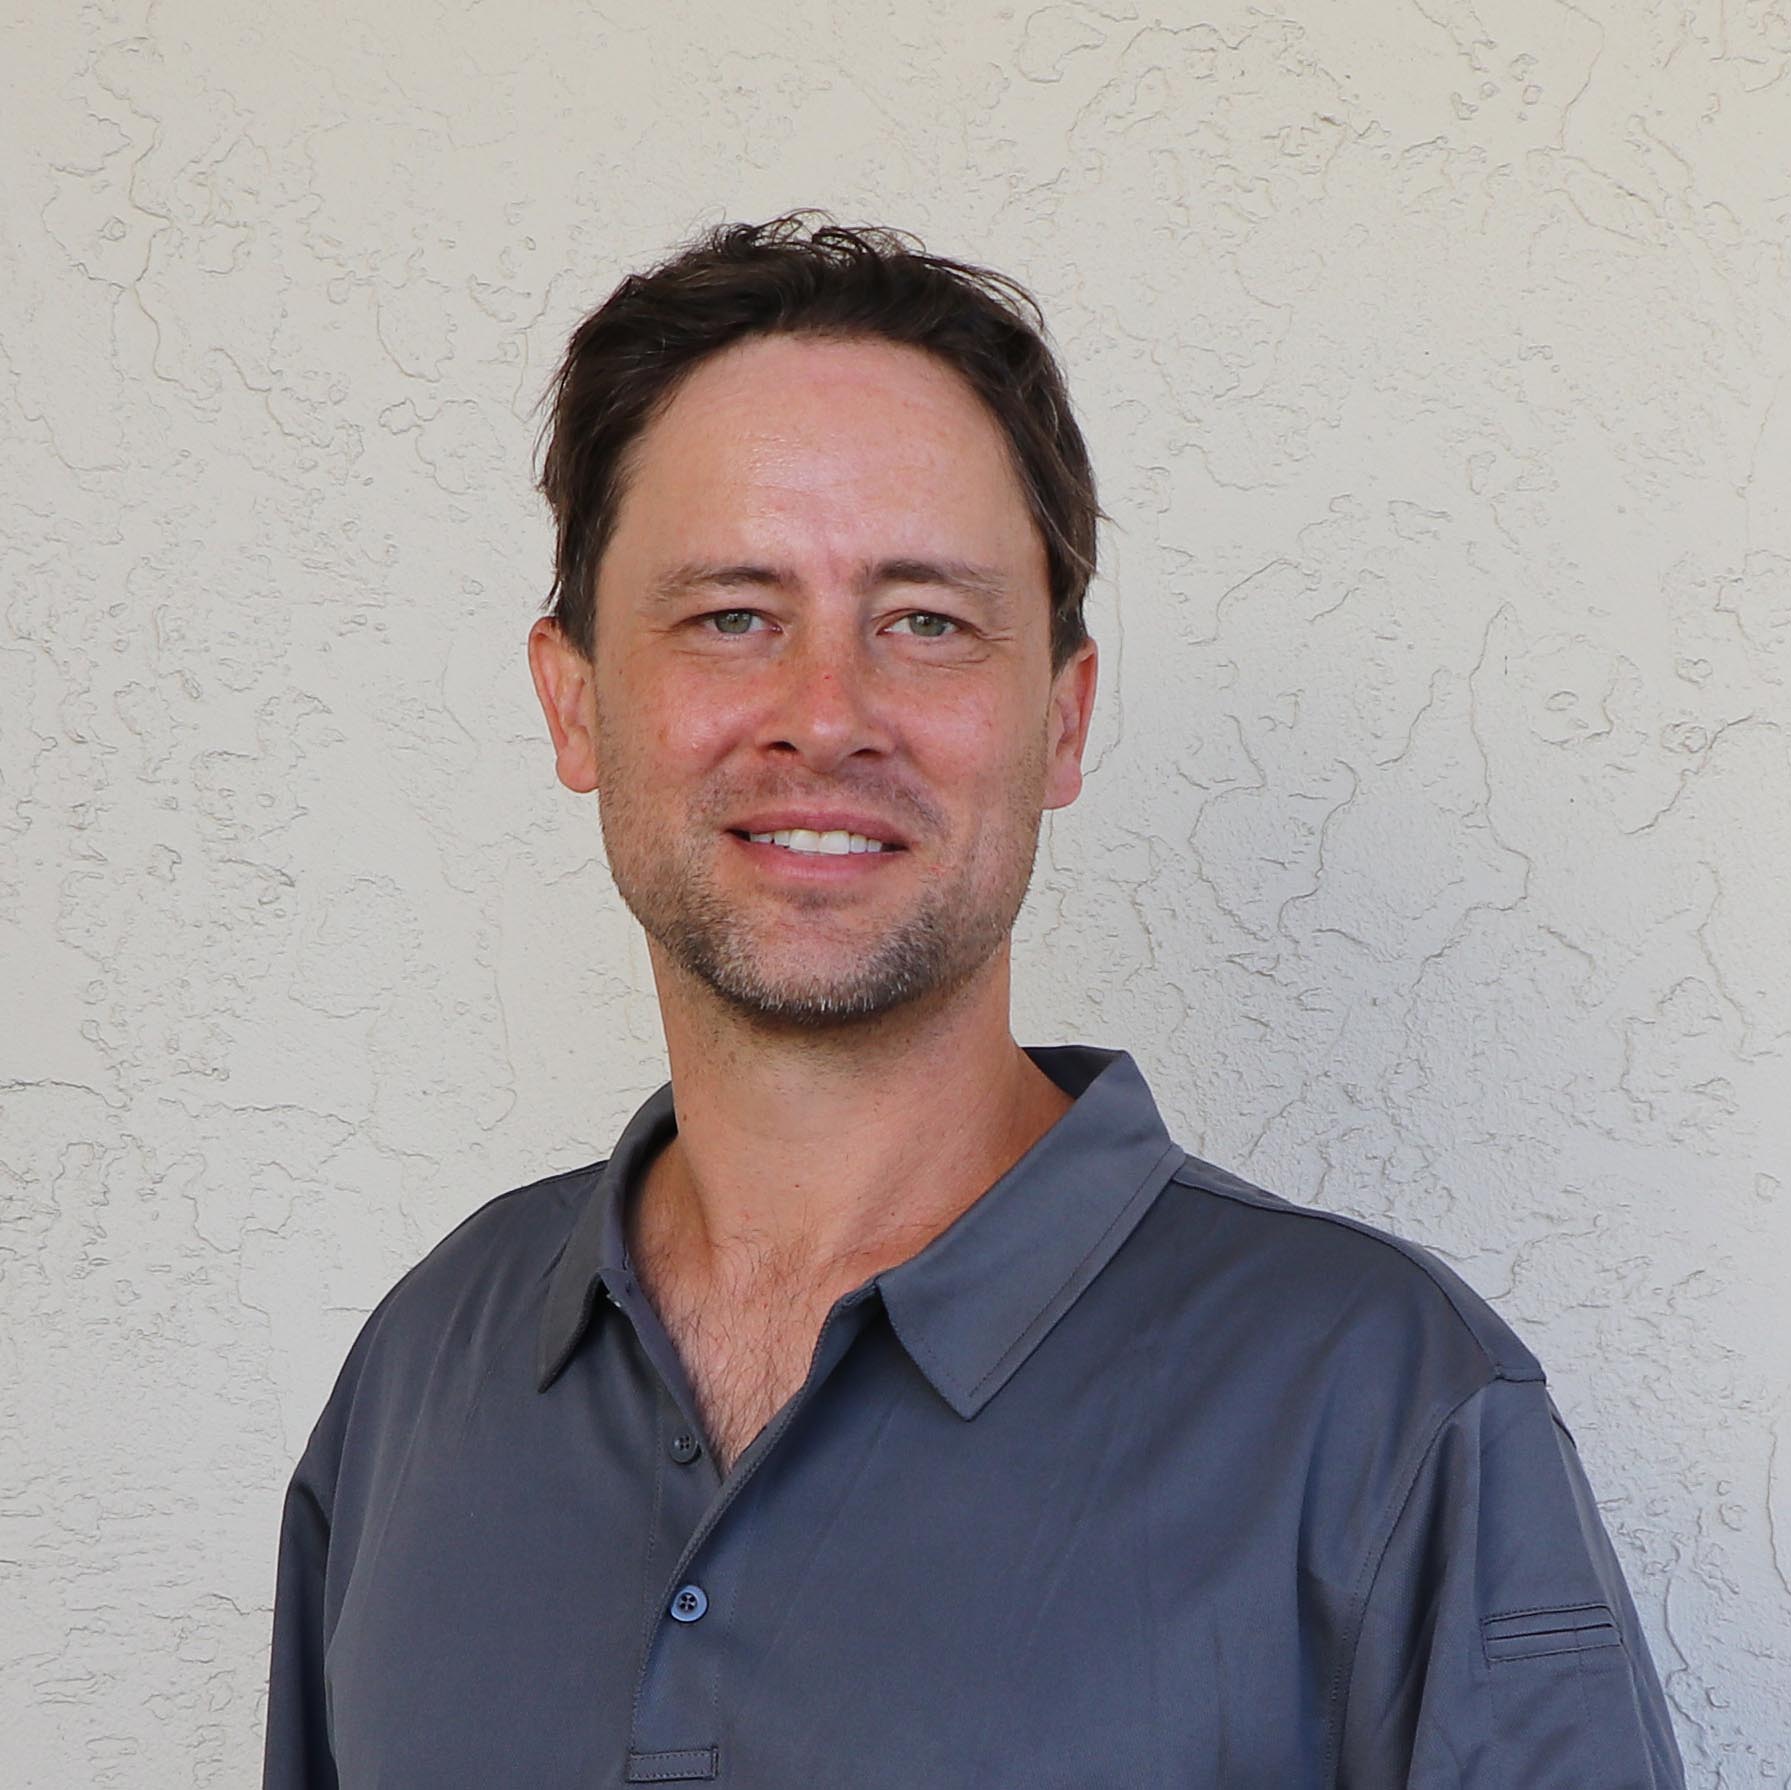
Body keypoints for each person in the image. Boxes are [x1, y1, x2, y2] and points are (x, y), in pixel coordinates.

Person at [261, 213, 1684, 1789]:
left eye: (925, 621)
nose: (827, 713)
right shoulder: (421, 1381)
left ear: (1061, 721)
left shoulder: (1388, 1414)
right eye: (732, 612)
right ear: (576, 696)